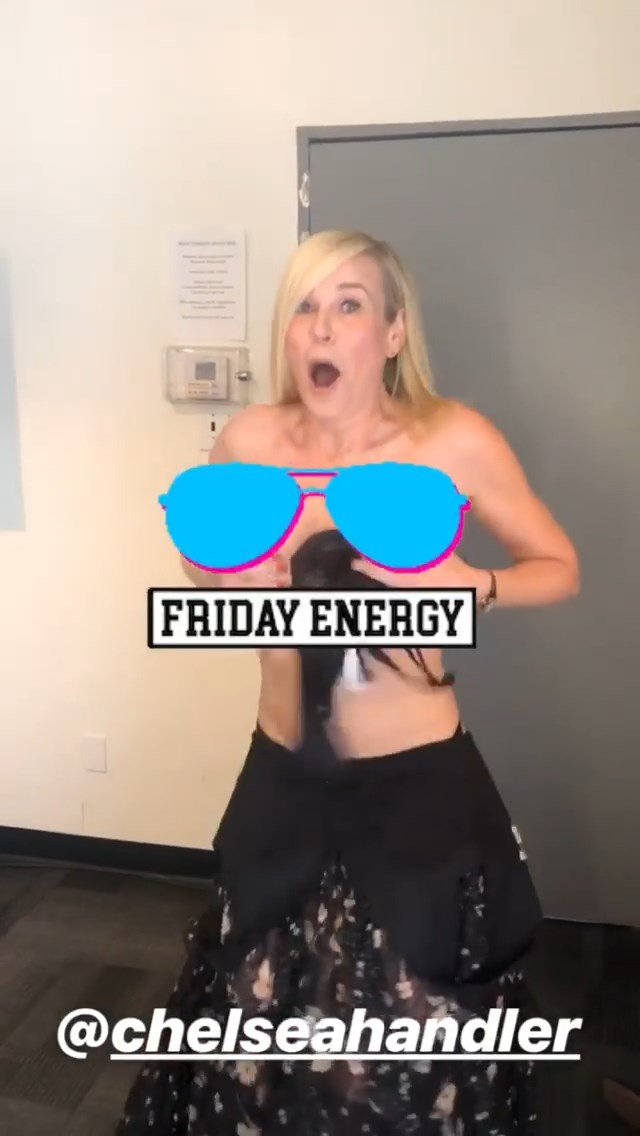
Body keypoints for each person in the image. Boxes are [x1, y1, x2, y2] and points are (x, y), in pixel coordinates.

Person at [116, 230, 580, 1134]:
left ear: (394, 333)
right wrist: (219, 577)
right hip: (283, 781)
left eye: (348, 305)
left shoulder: (452, 441)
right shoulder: (250, 441)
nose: (321, 327)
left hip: (417, 792)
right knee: (251, 1035)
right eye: (304, 306)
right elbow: (201, 567)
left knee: (408, 1049)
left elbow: (558, 566)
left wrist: (475, 585)